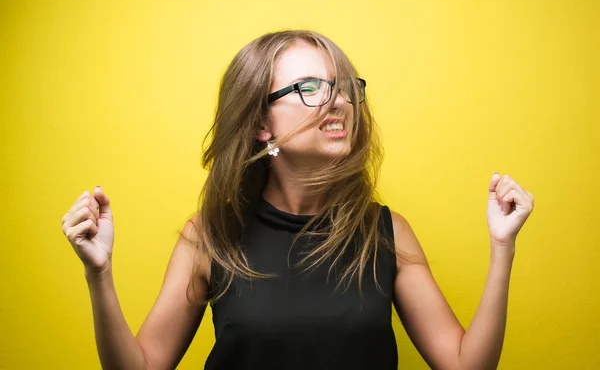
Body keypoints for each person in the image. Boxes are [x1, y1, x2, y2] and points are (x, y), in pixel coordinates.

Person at [60, 30, 535, 370]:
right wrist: (98, 275)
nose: (339, 102)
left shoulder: (387, 233)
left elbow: (464, 365)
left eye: (344, 87)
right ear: (261, 124)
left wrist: (502, 248)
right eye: (311, 88)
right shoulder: (209, 236)